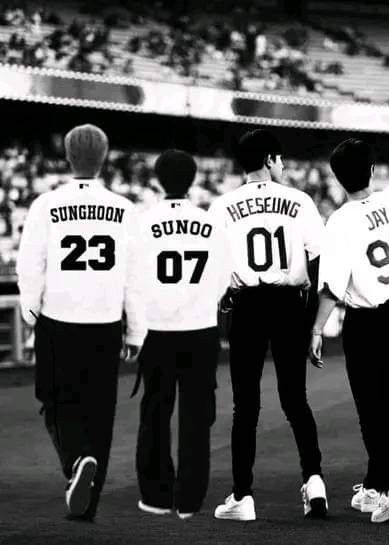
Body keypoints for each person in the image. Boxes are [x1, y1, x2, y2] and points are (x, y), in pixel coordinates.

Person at [17, 124, 146, 521]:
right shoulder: (125, 209)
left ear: (67, 156)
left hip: (59, 318)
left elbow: (30, 264)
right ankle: (89, 499)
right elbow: (135, 276)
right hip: (106, 320)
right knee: (100, 410)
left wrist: (30, 311)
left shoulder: (46, 204)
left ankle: (76, 461)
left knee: (56, 402)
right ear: (104, 158)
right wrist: (136, 329)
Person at [309, 115, 389, 523]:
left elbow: (331, 287)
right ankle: (375, 485)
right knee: (386, 405)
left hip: (365, 320)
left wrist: (315, 329)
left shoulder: (340, 221)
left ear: (338, 179)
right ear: (373, 171)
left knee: (368, 409)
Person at [209, 129, 327, 521]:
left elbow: (214, 267)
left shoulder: (222, 205)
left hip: (246, 303)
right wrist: (312, 318)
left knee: (246, 405)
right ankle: (314, 482)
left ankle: (242, 496)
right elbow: (317, 260)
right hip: (289, 302)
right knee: (295, 399)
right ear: (272, 160)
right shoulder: (299, 199)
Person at [134, 150, 232, 520]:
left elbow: (135, 280)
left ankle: (156, 496)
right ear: (192, 180)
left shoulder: (142, 223)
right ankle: (189, 499)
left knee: (155, 412)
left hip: (157, 330)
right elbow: (224, 280)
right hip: (200, 329)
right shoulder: (212, 224)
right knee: (197, 416)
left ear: (159, 179)